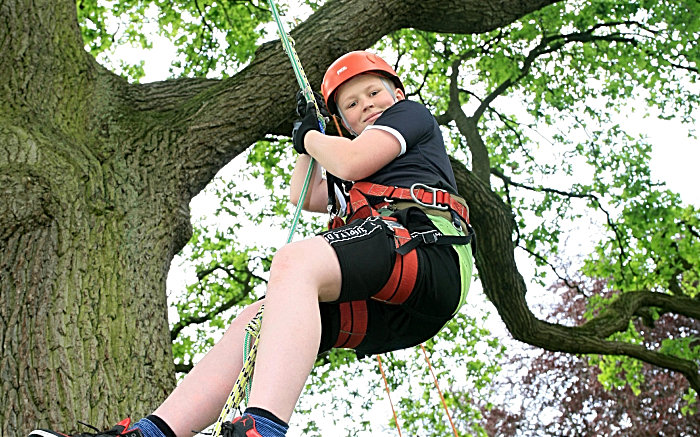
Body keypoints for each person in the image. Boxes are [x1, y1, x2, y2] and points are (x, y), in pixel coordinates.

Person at [28, 51, 474, 437]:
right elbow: (306, 195)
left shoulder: (409, 117)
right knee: (259, 319)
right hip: (395, 306)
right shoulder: (346, 157)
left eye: (373, 93)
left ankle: (263, 424)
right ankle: (155, 430)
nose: (367, 105)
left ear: (396, 93)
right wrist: (309, 141)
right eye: (352, 105)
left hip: (427, 250)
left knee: (296, 262)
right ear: (344, 120)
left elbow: (355, 159)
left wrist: (314, 137)